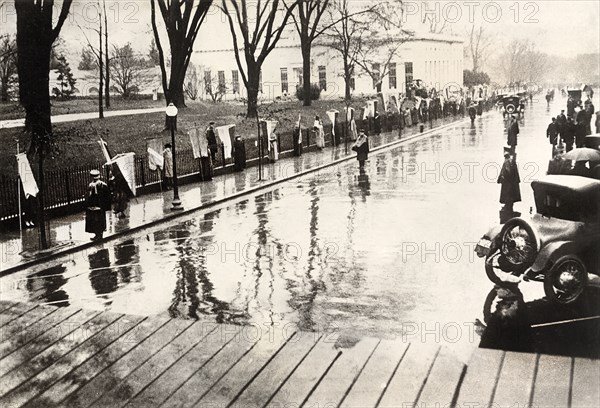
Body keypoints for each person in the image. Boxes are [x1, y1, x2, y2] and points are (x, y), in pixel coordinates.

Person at [85, 169, 111, 241]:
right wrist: (106, 206)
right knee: (100, 220)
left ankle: (98, 235)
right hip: (100, 206)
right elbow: (108, 196)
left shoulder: (91, 185)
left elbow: (88, 197)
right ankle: (99, 234)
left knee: (95, 220)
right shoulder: (103, 184)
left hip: (94, 206)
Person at [498, 149, 521, 213]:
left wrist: (502, 177)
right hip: (511, 181)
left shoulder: (507, 162)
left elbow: (507, 171)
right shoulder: (512, 161)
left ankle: (508, 206)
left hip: (507, 181)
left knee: (508, 193)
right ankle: (509, 205)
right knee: (511, 194)